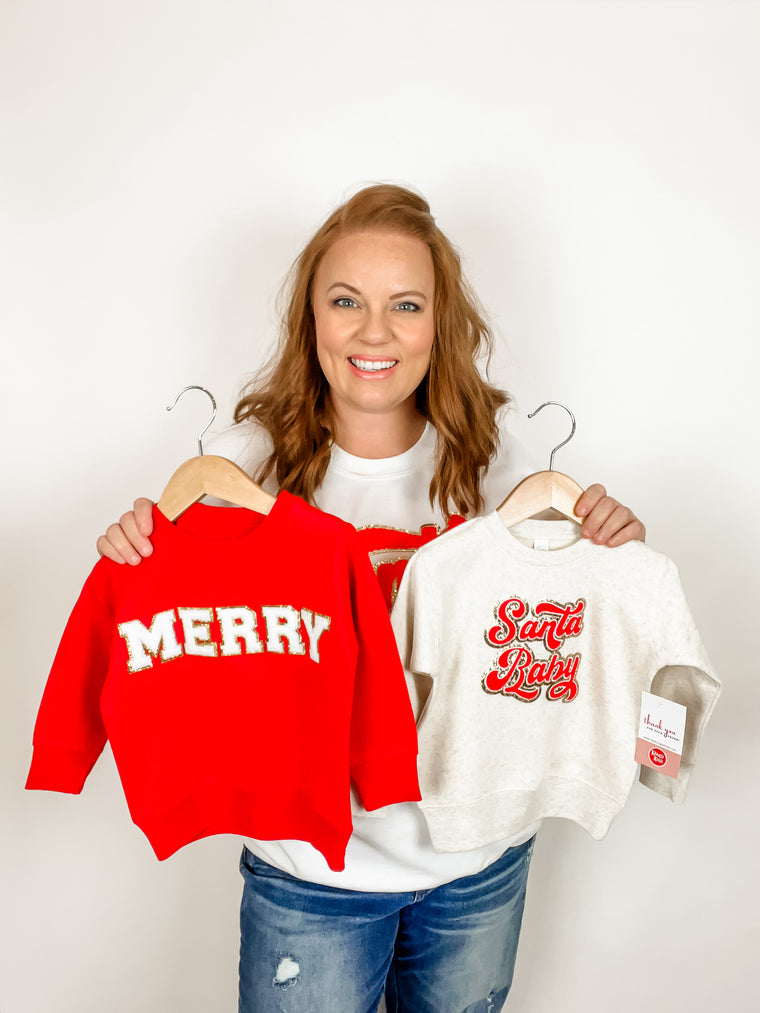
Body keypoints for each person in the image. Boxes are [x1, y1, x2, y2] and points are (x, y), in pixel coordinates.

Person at [97, 184, 645, 1013]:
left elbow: (573, 609)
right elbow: (165, 624)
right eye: (346, 300)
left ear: (439, 323)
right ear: (310, 318)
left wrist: (606, 544)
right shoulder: (246, 464)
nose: (375, 331)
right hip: (312, 874)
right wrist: (141, 549)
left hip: (476, 864)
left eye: (407, 304)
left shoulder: (499, 458)